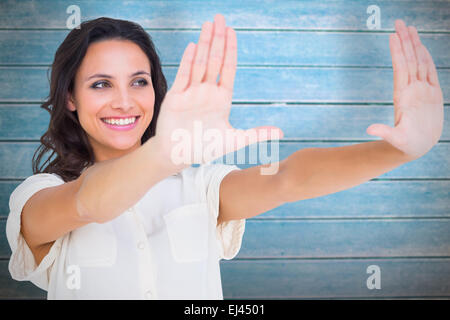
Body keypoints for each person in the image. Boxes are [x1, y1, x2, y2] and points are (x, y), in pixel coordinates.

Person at [5, 13, 443, 299]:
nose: (125, 101)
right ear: (70, 99)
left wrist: (400, 151)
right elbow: (91, 202)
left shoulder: (199, 187)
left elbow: (286, 178)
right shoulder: (40, 196)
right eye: (101, 84)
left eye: (139, 82)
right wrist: (166, 153)